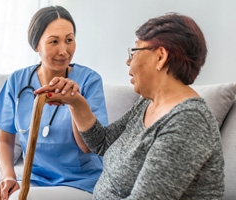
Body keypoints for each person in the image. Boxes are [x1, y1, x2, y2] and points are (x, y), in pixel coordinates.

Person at [35, 13, 225, 199]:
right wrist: (75, 101)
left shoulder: (188, 122)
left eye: (134, 52)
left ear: (160, 57)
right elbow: (103, 143)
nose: (128, 61)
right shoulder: (147, 103)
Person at [0, 5, 108, 200]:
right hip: (34, 179)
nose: (64, 51)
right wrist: (8, 177)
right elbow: (5, 140)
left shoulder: (89, 81)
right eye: (54, 42)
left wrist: (74, 101)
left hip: (81, 182)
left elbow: (87, 147)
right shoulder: (17, 81)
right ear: (36, 45)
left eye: (69, 40)